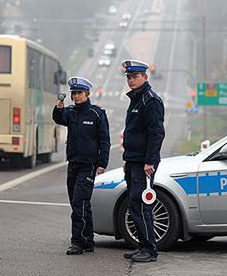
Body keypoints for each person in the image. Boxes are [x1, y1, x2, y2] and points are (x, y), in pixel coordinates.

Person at [52, 77, 111, 255]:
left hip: (88, 165)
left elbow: (104, 140)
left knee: (79, 202)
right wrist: (58, 108)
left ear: (87, 94)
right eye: (74, 94)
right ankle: (88, 241)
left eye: (79, 93)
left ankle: (77, 241)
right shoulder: (70, 112)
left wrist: (102, 163)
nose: (76, 96)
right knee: (80, 203)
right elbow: (59, 119)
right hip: (73, 163)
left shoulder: (96, 114)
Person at [121, 60, 165, 263]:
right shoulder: (137, 99)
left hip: (143, 163)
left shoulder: (150, 100)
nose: (131, 80)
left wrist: (149, 161)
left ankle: (149, 249)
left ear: (145, 77)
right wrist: (127, 160)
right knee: (135, 205)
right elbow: (133, 133)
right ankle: (142, 245)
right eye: (129, 77)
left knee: (139, 205)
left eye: (135, 76)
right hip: (134, 161)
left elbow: (156, 133)